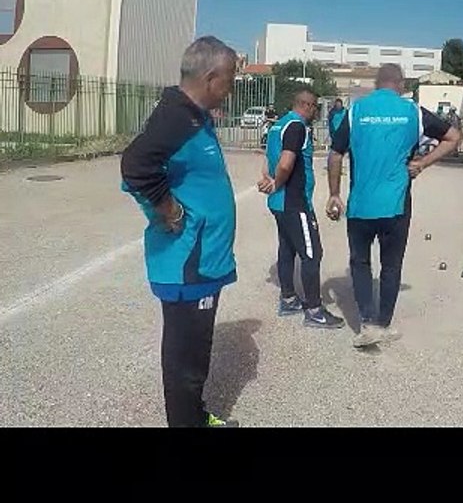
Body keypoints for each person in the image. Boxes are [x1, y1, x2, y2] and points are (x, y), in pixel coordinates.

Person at [120, 36, 241, 428]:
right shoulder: (177, 117)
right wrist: (167, 207)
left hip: (203, 259)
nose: (233, 86)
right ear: (211, 78)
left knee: (194, 350)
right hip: (190, 260)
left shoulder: (192, 114)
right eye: (231, 78)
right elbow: (136, 165)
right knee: (185, 355)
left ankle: (194, 416)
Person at [325, 64, 461, 348]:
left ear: (377, 84)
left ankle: (366, 322)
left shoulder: (355, 111)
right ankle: (383, 324)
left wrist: (334, 193)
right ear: (399, 84)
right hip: (396, 205)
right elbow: (453, 137)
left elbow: (336, 154)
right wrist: (422, 163)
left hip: (360, 204)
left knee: (360, 263)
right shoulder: (412, 111)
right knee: (391, 265)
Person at [257, 89, 345, 329]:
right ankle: (314, 310)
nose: (316, 112)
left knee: (287, 249)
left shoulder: (278, 126)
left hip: (279, 203)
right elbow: (286, 162)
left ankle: (288, 299)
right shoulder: (296, 127)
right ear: (307, 105)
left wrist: (268, 180)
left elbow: (268, 160)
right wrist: (277, 182)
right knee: (311, 253)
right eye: (315, 107)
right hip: (295, 202)